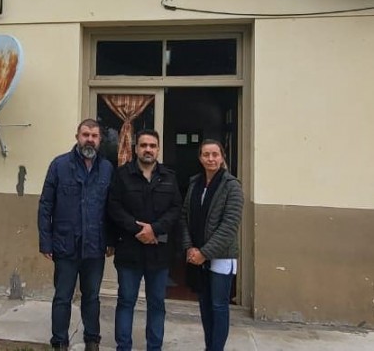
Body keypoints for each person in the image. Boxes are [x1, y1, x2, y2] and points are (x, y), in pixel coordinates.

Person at [38, 119, 115, 351]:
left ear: (100, 140)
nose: (89, 139)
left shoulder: (107, 169)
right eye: (85, 134)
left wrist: (110, 241)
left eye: (94, 135)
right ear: (77, 137)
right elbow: (45, 206)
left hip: (95, 246)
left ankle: (92, 339)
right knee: (63, 297)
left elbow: (111, 208)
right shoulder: (59, 165)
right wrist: (45, 241)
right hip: (65, 245)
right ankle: (59, 341)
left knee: (92, 297)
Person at [108, 129, 182, 351]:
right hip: (129, 250)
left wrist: (154, 229)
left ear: (158, 149)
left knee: (157, 304)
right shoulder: (121, 175)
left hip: (158, 252)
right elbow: (113, 206)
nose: (148, 149)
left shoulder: (169, 177)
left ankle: (154, 347)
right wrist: (136, 228)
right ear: (136, 149)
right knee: (126, 302)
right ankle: (123, 346)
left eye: (152, 145)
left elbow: (176, 209)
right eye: (143, 145)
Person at [181, 139, 244, 351]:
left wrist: (205, 253)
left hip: (221, 256)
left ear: (222, 157)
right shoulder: (194, 184)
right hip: (197, 254)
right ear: (200, 158)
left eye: (215, 154)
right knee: (204, 306)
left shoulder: (232, 186)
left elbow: (229, 225)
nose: (211, 159)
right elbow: (184, 217)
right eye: (206, 154)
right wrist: (190, 247)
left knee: (218, 306)